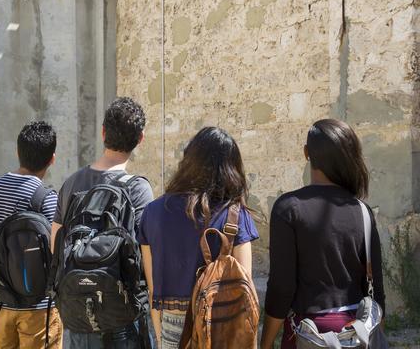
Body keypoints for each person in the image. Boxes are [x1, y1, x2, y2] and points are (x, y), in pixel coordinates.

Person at [261, 118, 386, 349]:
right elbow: (376, 290)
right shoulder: (362, 211)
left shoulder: (288, 208)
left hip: (308, 334)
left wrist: (266, 342)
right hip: (357, 333)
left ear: (306, 153)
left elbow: (282, 287)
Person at [138, 126, 259, 349]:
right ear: (231, 168)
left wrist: (160, 333)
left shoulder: (153, 212)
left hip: (172, 325)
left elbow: (153, 288)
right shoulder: (235, 215)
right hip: (222, 325)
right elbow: (245, 288)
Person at [51, 96, 154, 349]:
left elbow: (56, 245)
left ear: (103, 132)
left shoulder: (71, 184)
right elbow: (148, 257)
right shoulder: (138, 190)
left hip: (77, 312)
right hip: (123, 316)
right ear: (140, 139)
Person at [0, 120, 62, 349]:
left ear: (17, 152)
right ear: (52, 159)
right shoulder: (46, 198)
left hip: (1, 298)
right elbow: (56, 251)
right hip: (38, 306)